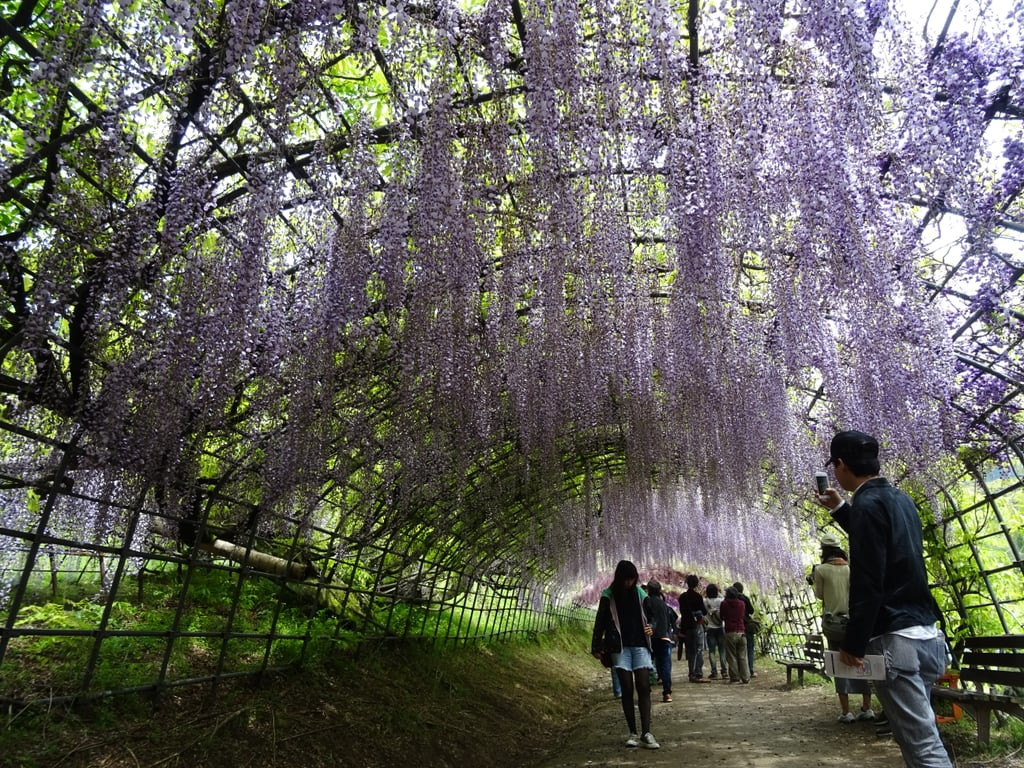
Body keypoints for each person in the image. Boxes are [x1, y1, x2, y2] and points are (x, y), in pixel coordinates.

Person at [816, 430, 951, 768]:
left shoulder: (866, 504)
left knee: (922, 745)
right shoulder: (900, 499)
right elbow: (888, 546)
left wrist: (854, 642)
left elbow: (869, 581)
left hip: (895, 640)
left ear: (841, 464)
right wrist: (840, 509)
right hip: (927, 635)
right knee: (916, 736)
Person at [591, 560, 661, 749]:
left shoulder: (640, 593)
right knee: (627, 690)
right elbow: (600, 621)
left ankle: (647, 732)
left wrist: (651, 628)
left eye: (633, 579)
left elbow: (653, 617)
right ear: (620, 578)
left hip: (640, 645)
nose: (630, 583)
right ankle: (633, 733)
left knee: (644, 687)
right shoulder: (608, 595)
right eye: (627, 580)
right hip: (619, 647)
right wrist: (596, 646)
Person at [810, 532, 875, 722]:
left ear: (824, 551)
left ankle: (846, 712)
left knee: (839, 663)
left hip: (834, 624)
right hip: (855, 623)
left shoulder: (820, 570)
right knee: (861, 662)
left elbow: (820, 595)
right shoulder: (852, 570)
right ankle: (867, 708)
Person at [645, 579, 677, 702]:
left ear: (648, 590)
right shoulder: (664, 604)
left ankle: (646, 691)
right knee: (665, 666)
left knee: (646, 665)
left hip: (650, 639)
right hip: (664, 638)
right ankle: (667, 693)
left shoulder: (646, 602)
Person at [677, 574, 710, 682]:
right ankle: (698, 672)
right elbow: (704, 612)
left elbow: (682, 612)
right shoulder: (698, 596)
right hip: (696, 625)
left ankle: (691, 673)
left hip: (686, 626)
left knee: (690, 650)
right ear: (696, 584)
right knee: (699, 649)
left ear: (687, 583)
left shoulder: (682, 597)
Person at [719, 586, 750, 683]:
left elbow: (721, 616)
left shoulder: (724, 604)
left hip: (730, 632)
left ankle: (735, 678)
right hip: (741, 632)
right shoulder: (742, 603)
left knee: (731, 656)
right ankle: (745, 678)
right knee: (743, 656)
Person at [733, 581, 757, 677]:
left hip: (736, 627)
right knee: (750, 648)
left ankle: (739, 671)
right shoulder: (745, 598)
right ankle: (750, 670)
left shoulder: (730, 599)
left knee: (737, 650)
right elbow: (751, 611)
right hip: (747, 626)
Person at [703, 583, 727, 680]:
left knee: (712, 651)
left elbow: (702, 597)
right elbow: (723, 597)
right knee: (722, 651)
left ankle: (714, 672)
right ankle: (724, 671)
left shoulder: (705, 601)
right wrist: (719, 592)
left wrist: (705, 593)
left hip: (710, 628)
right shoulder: (721, 601)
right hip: (720, 628)